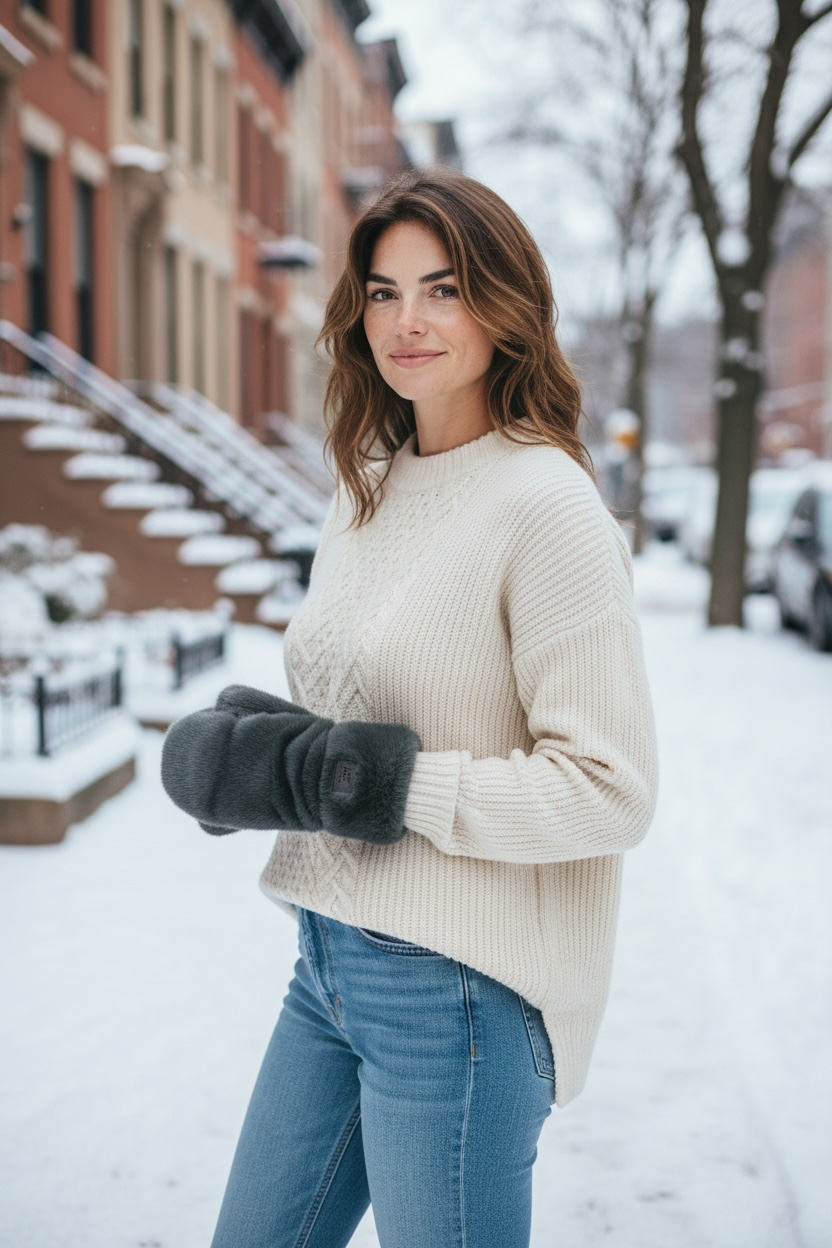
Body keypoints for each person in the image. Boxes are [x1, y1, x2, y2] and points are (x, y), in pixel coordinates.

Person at [161, 168, 658, 1248]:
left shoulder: (548, 504)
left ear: (503, 305)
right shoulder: (365, 481)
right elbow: (359, 703)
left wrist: (375, 782)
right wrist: (267, 753)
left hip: (458, 999)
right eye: (382, 292)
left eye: (442, 287)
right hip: (326, 966)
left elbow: (608, 791)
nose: (408, 320)